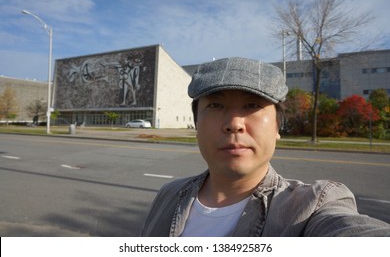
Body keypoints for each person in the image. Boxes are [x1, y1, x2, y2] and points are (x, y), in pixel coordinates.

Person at [139, 57, 390, 237]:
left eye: (252, 106)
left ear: (277, 127)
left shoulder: (312, 206)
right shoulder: (169, 194)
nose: (234, 123)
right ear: (197, 124)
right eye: (215, 106)